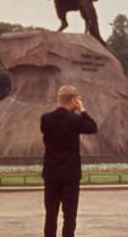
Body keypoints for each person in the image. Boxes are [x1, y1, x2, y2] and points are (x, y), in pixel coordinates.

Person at [41, 85, 98, 237]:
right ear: (73, 100)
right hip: (70, 173)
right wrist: (83, 110)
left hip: (51, 172)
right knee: (70, 215)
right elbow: (93, 127)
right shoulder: (75, 120)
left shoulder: (46, 119)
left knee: (50, 214)